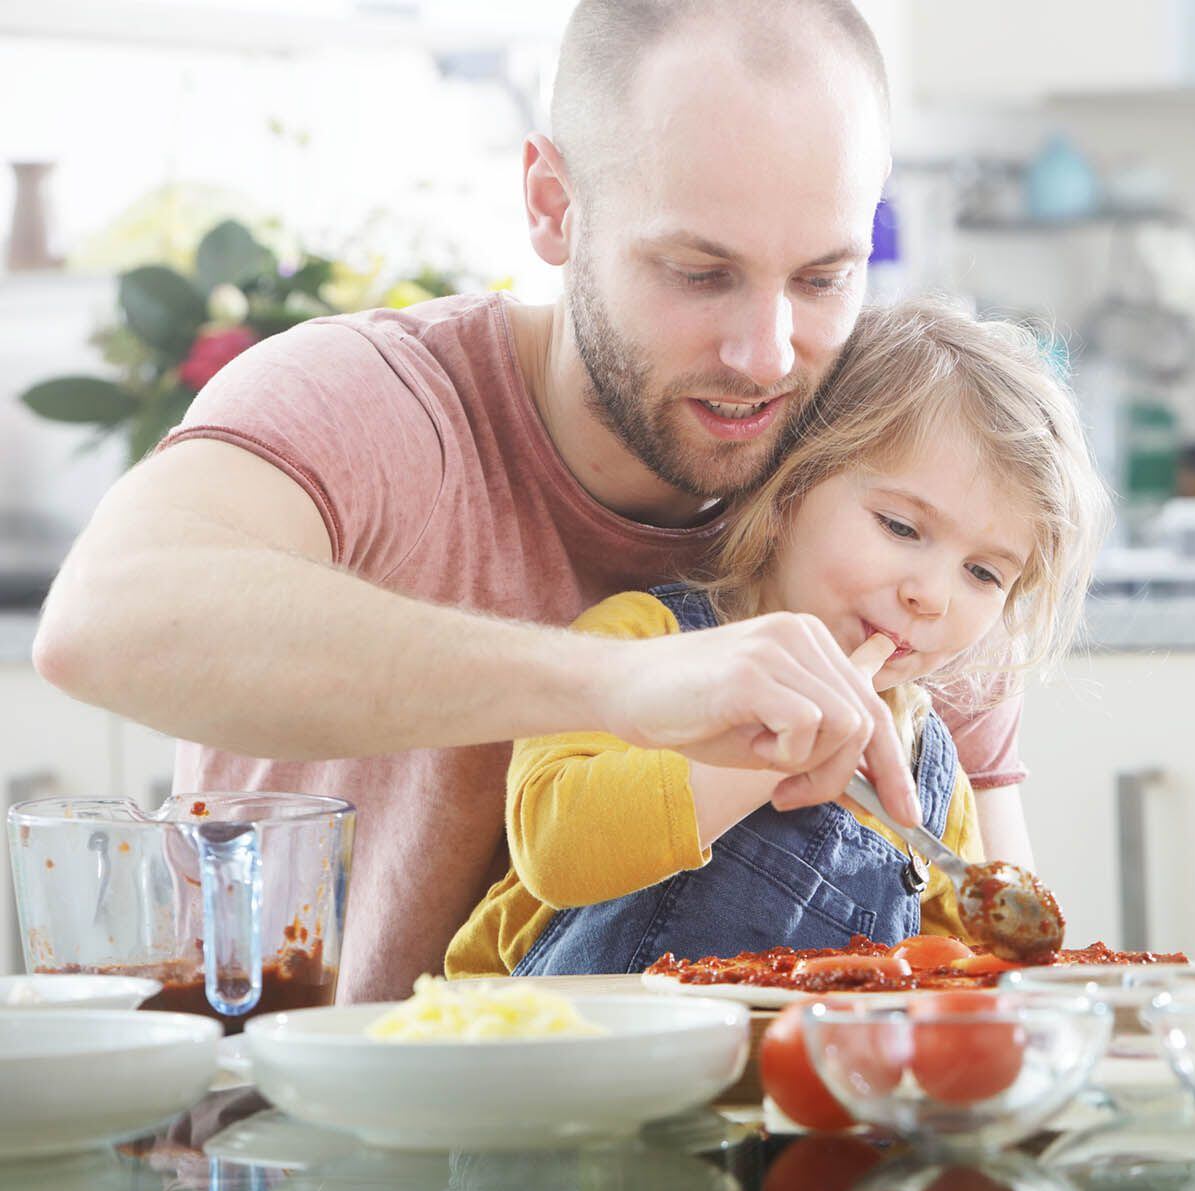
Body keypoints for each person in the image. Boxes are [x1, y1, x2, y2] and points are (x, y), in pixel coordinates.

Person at [32, 0, 1039, 1006]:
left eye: (825, 276)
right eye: (700, 272)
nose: (767, 355)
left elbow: (1003, 938)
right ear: (554, 205)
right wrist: (617, 684)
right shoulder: (379, 402)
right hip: (289, 1135)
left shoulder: (885, 489)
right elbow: (101, 622)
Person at [446, 298, 1105, 982]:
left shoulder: (929, 775)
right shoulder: (648, 643)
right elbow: (554, 851)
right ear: (790, 487)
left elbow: (945, 984)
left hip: (795, 1086)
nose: (931, 596)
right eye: (901, 528)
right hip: (571, 1068)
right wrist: (767, 753)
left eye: (983, 572)